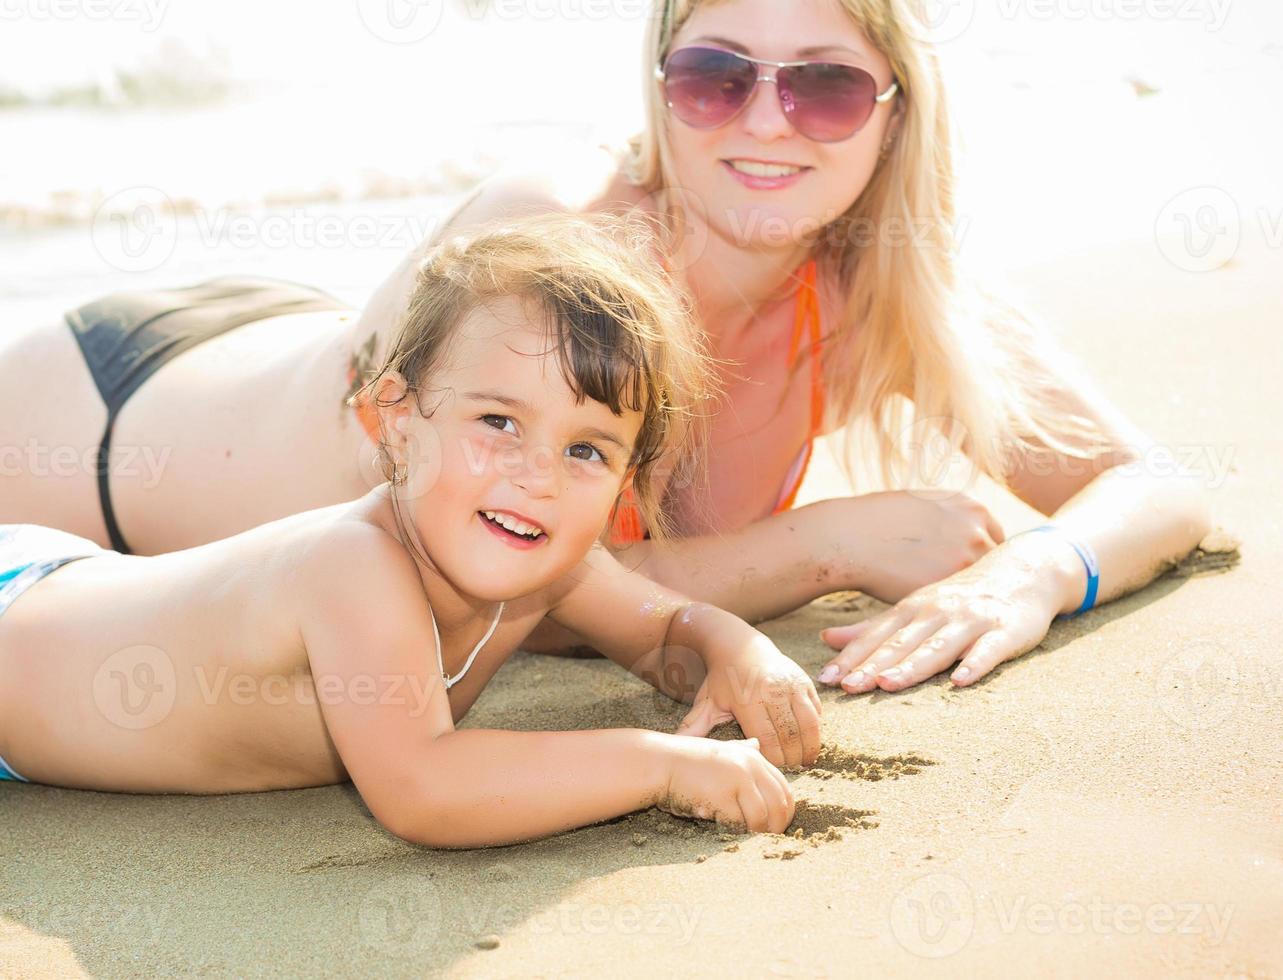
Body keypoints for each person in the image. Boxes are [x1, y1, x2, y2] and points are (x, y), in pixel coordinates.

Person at [0, 0, 1210, 696]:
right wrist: (820, 544)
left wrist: (1036, 571)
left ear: (895, 110)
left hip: (281, 332)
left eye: (827, 88)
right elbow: (487, 576)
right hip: (110, 422)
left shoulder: (891, 293)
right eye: (715, 76)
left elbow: (1156, 486)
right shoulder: (564, 229)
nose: (766, 121)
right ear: (658, 86)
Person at [0, 215, 822, 848]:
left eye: (585, 448)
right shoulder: (352, 565)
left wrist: (738, 653)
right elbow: (423, 789)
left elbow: (664, 630)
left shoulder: (549, 563)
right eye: (498, 421)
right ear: (392, 421)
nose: (536, 474)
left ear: (624, 482)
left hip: (74, 581)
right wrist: (662, 765)